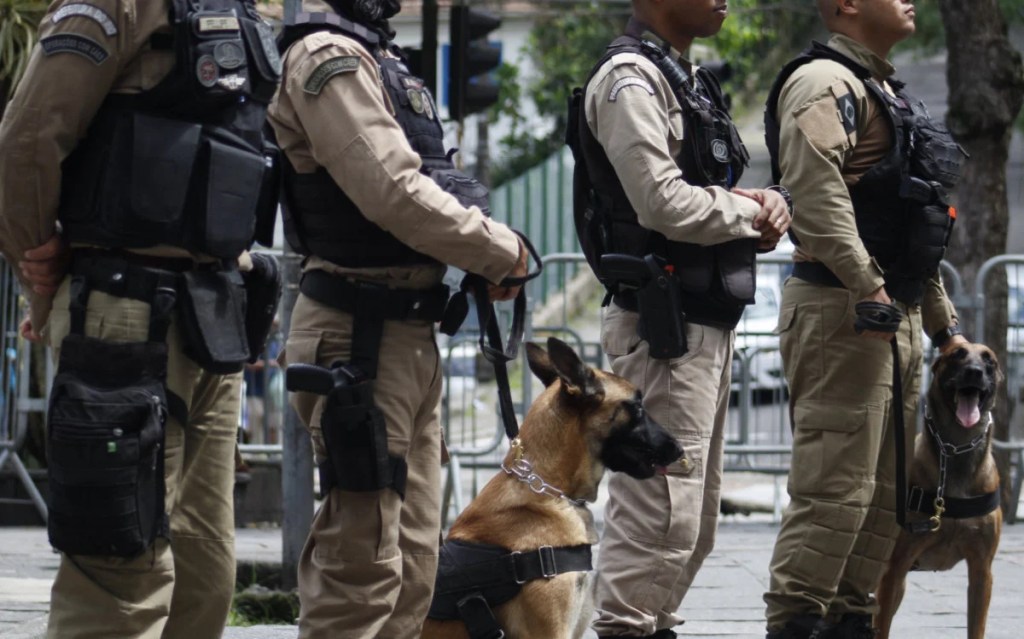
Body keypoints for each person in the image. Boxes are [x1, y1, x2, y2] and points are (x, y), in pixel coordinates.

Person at [0, 1, 281, 637]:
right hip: (124, 311)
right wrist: (40, 272)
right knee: (118, 575)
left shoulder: (238, 9)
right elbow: (25, 142)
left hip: (211, 312)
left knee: (203, 577)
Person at [269, 1, 529, 636]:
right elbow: (393, 189)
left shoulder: (381, 60)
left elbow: (435, 182)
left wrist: (480, 255)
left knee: (413, 570)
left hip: (406, 334)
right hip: (357, 336)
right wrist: (500, 251)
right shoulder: (326, 57)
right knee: (361, 568)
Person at [569, 1, 792, 637]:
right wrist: (752, 213)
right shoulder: (630, 80)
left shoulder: (682, 77)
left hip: (699, 320)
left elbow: (705, 189)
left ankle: (648, 625)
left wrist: (765, 204)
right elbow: (661, 200)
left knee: (691, 522)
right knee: (660, 513)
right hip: (662, 327)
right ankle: (626, 628)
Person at [761, 1, 969, 637]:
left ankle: (850, 620)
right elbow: (817, 195)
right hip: (843, 310)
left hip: (886, 310)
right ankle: (796, 623)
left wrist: (944, 326)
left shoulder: (879, 89)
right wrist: (868, 284)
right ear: (847, 3)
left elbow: (906, 228)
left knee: (883, 503)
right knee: (834, 495)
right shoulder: (823, 83)